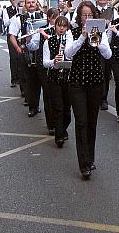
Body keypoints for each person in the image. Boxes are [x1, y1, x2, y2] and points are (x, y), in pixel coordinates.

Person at [64, 1, 111, 179]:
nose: (87, 18)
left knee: (92, 123)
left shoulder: (101, 32)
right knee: (81, 122)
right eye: (84, 15)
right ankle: (83, 164)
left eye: (90, 15)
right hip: (77, 83)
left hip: (95, 83)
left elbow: (108, 55)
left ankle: (90, 159)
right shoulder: (73, 31)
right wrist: (83, 37)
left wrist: (97, 40)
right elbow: (69, 53)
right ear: (79, 17)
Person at [41, 12, 73, 148]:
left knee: (67, 108)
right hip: (54, 78)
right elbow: (44, 62)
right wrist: (54, 61)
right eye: (59, 26)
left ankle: (63, 128)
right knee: (58, 107)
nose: (61, 29)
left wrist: (67, 56)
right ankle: (59, 136)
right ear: (55, 27)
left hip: (68, 77)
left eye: (64, 26)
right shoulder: (49, 41)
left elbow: (73, 57)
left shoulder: (70, 41)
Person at [9, 0, 45, 117]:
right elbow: (12, 35)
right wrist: (18, 48)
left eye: (33, 2)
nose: (30, 4)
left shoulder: (42, 17)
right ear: (25, 5)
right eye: (28, 3)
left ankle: (37, 104)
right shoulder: (18, 18)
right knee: (29, 80)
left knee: (39, 80)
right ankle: (32, 106)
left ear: (36, 4)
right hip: (27, 53)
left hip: (40, 53)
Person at [95, 0, 116, 111]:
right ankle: (96, 96)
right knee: (98, 70)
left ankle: (104, 98)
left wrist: (111, 24)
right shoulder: (93, 10)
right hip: (96, 44)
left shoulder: (113, 11)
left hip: (108, 43)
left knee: (106, 73)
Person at [3, 0, 22, 88]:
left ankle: (20, 77)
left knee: (21, 57)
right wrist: (14, 17)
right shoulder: (7, 10)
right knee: (13, 57)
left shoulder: (21, 9)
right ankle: (14, 79)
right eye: (14, 0)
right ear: (11, 1)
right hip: (11, 34)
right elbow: (6, 23)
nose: (16, 2)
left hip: (21, 35)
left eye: (17, 0)